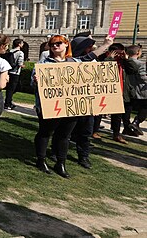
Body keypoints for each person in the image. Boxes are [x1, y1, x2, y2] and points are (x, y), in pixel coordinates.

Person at [32, 35, 113, 177]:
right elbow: (34, 84)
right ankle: (41, 160)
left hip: (71, 106)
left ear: (66, 45)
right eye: (52, 44)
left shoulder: (76, 61)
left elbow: (91, 56)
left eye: (58, 43)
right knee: (45, 133)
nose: (55, 46)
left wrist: (106, 45)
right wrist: (36, 81)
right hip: (49, 106)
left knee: (65, 135)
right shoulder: (43, 64)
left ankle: (61, 163)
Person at [126, 45, 147, 136]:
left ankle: (129, 126)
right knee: (145, 107)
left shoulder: (126, 62)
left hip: (131, 88)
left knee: (129, 108)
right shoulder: (140, 64)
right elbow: (143, 77)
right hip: (141, 89)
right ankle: (136, 122)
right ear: (138, 52)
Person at [4, 38, 24, 110]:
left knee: (10, 88)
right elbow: (20, 63)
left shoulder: (10, 51)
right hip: (15, 72)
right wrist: (23, 65)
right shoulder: (20, 53)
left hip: (8, 71)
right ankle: (7, 103)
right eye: (22, 43)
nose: (23, 44)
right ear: (19, 44)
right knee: (13, 89)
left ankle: (8, 101)